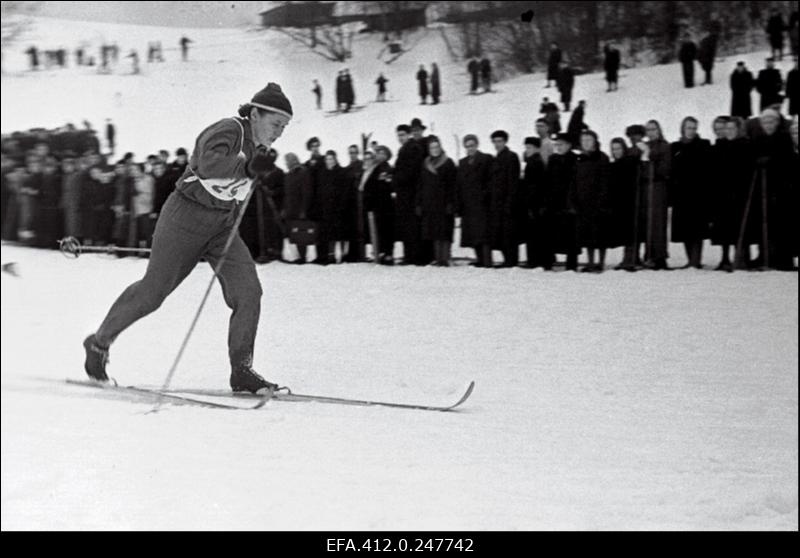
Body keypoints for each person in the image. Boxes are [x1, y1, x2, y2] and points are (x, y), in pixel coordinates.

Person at [82, 83, 292, 394]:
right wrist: (246, 167)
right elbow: (207, 164)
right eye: (276, 124)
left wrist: (250, 177)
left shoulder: (260, 149)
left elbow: (236, 191)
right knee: (153, 293)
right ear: (256, 114)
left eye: (284, 127)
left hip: (222, 227)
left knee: (249, 292)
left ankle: (242, 370)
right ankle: (99, 343)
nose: (279, 132)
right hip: (185, 217)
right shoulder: (230, 128)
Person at [709, 117, 753, 272]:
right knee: (723, 227)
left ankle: (740, 258)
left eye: (732, 128)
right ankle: (725, 258)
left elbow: (747, 169)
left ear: (738, 129)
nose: (729, 131)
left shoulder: (744, 145)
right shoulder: (720, 146)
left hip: (739, 192)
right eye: (726, 128)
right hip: (722, 192)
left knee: (739, 225)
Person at [670, 116, 712, 269]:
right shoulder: (675, 147)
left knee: (697, 228)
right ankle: (690, 260)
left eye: (694, 128)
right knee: (684, 228)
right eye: (689, 128)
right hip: (681, 193)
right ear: (683, 128)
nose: (691, 131)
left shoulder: (703, 145)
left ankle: (696, 260)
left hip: (698, 193)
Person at [574, 130, 611, 272]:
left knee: (600, 234)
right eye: (583, 140)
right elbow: (574, 180)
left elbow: (605, 181)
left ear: (595, 141)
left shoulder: (602, 158)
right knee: (587, 234)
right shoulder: (580, 159)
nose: (586, 143)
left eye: (589, 139)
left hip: (598, 202)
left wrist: (602, 200)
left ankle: (600, 262)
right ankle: (590, 262)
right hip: (583, 202)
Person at [417, 136, 456, 266]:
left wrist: (451, 202)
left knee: (444, 231)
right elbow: (420, 184)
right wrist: (419, 202)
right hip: (429, 202)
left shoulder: (448, 162)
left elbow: (453, 185)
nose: (434, 149)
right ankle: (438, 258)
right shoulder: (425, 163)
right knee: (434, 231)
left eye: (437, 147)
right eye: (432, 147)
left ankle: (445, 257)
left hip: (443, 202)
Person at [639, 120, 672, 270]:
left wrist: (648, 158)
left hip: (658, 187)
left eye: (653, 129)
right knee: (647, 221)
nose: (651, 132)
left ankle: (659, 257)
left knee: (658, 222)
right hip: (646, 188)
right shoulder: (645, 146)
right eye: (648, 130)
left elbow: (663, 169)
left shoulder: (664, 146)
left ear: (658, 130)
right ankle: (649, 254)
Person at [543, 134, 579, 271]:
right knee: (551, 233)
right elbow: (548, 179)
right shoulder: (553, 159)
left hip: (569, 201)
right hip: (554, 201)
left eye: (561, 144)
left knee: (570, 235)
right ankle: (548, 262)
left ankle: (571, 264)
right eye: (556, 145)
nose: (558, 147)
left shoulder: (575, 159)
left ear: (569, 145)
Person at [456, 134, 493, 267]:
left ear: (477, 145)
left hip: (482, 204)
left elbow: (491, 180)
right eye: (467, 146)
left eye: (472, 145)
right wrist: (459, 204)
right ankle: (479, 259)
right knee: (473, 234)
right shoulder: (463, 163)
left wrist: (485, 195)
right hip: (468, 204)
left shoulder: (486, 159)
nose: (470, 148)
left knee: (483, 234)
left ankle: (487, 260)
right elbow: (459, 185)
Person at [393, 123, 425, 265]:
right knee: (406, 225)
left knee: (412, 225)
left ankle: (414, 256)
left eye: (403, 135)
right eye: (398, 135)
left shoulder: (413, 148)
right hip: (404, 193)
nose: (400, 138)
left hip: (411, 193)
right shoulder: (404, 149)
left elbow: (411, 171)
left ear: (409, 134)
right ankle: (409, 255)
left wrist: (396, 177)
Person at [488, 130, 521, 267]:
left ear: (505, 141)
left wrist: (509, 202)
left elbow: (513, 182)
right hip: (497, 202)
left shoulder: (511, 157)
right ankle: (507, 259)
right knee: (501, 233)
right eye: (495, 141)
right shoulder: (497, 158)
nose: (497, 144)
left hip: (507, 201)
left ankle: (511, 260)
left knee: (509, 233)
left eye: (500, 141)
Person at [608, 138, 641, 270]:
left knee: (631, 230)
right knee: (625, 231)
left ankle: (631, 258)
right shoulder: (614, 165)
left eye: (618, 148)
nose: (616, 151)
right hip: (619, 201)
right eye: (614, 149)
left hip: (630, 200)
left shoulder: (629, 162)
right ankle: (629, 258)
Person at [315, 150, 350, 264]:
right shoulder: (322, 173)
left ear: (335, 159)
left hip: (338, 208)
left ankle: (342, 255)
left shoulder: (341, 172)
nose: (329, 161)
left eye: (331, 159)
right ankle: (331, 255)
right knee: (328, 234)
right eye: (327, 159)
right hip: (325, 209)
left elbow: (344, 191)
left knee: (338, 233)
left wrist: (341, 205)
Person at [363, 145, 395, 264]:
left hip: (387, 204)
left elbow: (390, 184)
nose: (380, 155)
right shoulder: (374, 168)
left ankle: (388, 253)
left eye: (383, 153)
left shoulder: (388, 168)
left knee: (388, 230)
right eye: (378, 153)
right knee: (378, 230)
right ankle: (379, 251)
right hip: (376, 205)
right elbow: (368, 186)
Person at [520, 137, 547, 269]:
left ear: (536, 148)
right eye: (526, 147)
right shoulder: (535, 161)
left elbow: (534, 186)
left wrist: (529, 203)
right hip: (536, 203)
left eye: (529, 147)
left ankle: (534, 260)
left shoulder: (534, 162)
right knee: (535, 233)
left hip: (534, 203)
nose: (527, 150)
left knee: (533, 234)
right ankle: (537, 259)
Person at [282, 153, 313, 264]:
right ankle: (296, 256)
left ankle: (302, 257)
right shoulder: (288, 175)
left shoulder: (303, 172)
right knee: (292, 233)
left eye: (287, 161)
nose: (286, 163)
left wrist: (303, 210)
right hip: (290, 209)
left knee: (301, 233)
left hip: (299, 209)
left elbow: (306, 193)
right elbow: (287, 194)